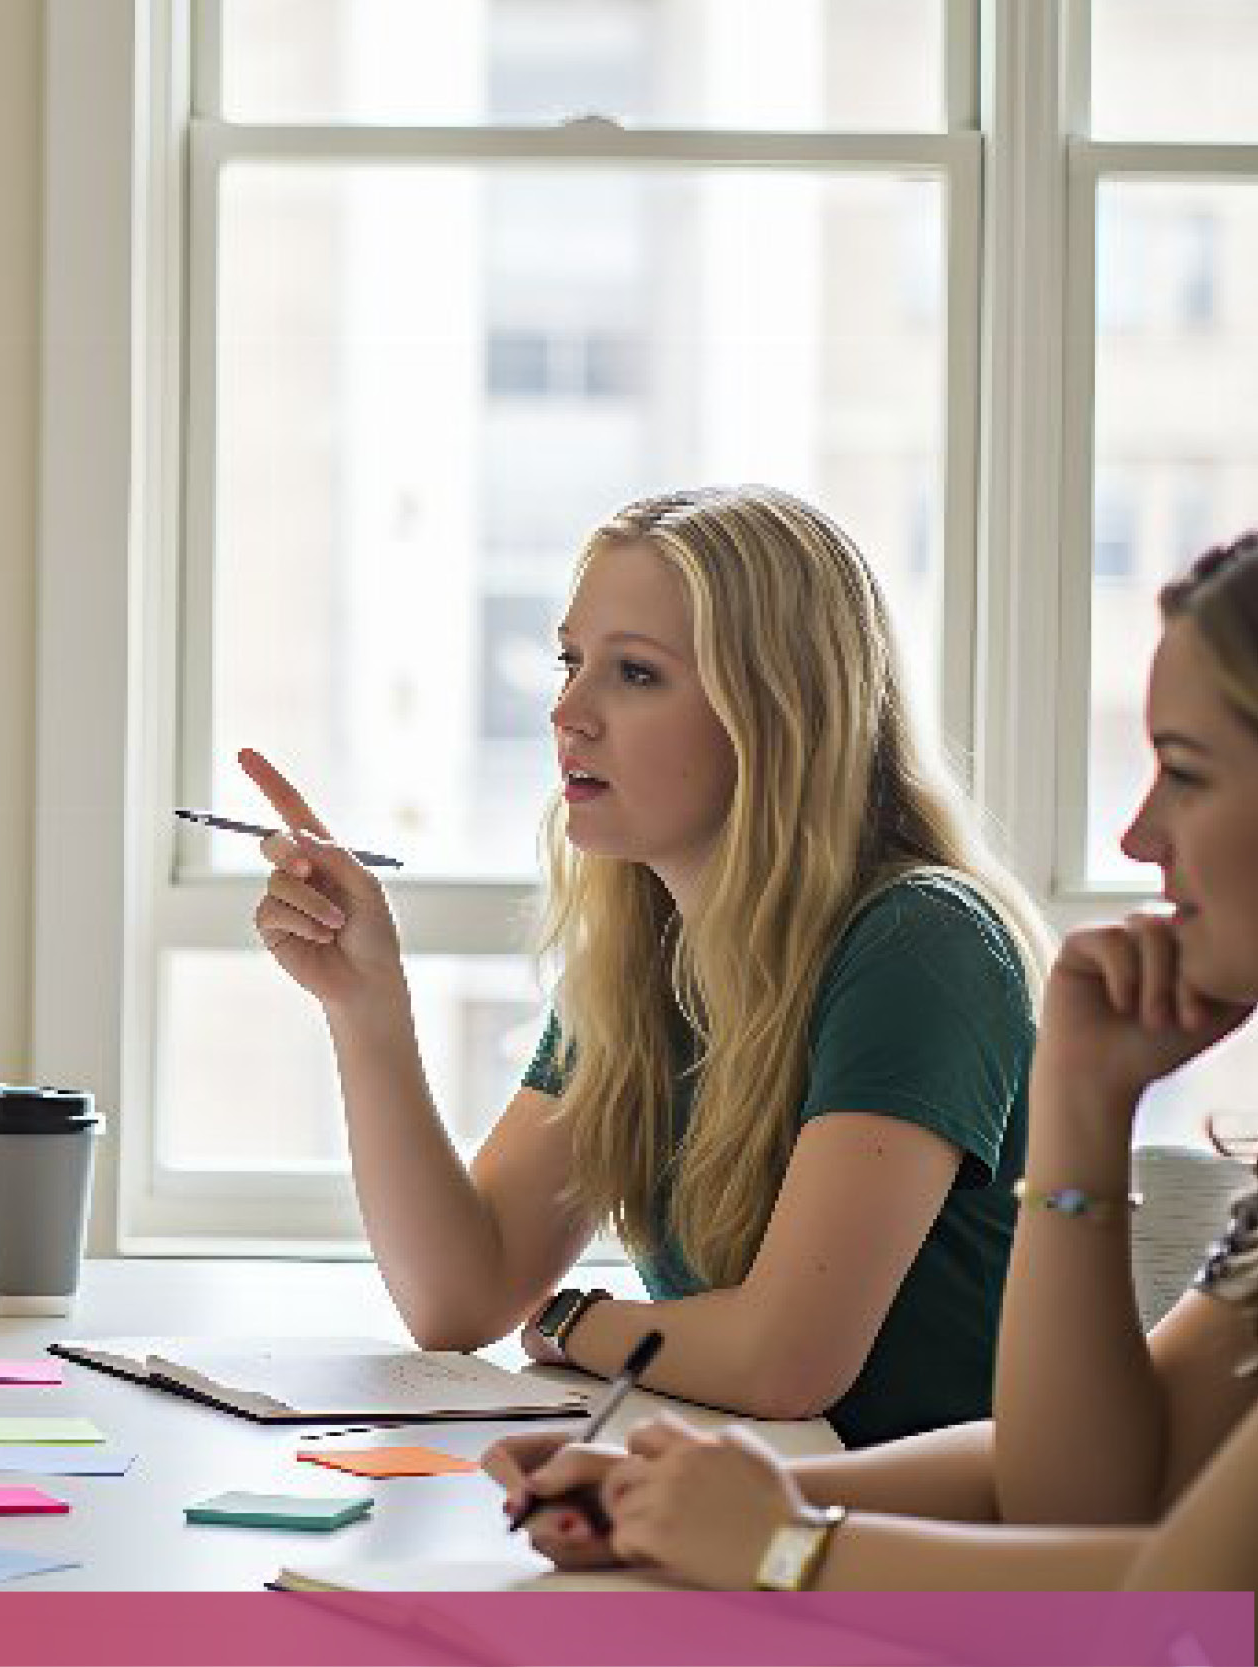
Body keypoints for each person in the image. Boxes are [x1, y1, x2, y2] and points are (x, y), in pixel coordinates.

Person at [490, 532, 1258, 1591]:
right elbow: (1080, 1494)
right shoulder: (652, 944)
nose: (1136, 835)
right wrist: (683, 1494)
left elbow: (1182, 1606)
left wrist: (785, 1545)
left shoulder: (915, 933)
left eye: (1185, 770)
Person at [245, 484, 1048, 1444]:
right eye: (570, 660)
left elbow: (784, 1359)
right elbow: (459, 1297)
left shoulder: (920, 942)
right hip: (746, 1510)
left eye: (633, 674)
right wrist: (366, 1007)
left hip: (923, 1557)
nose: (565, 711)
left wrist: (579, 1323)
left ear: (774, 712)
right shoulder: (647, 956)